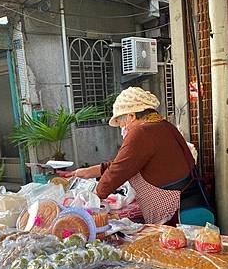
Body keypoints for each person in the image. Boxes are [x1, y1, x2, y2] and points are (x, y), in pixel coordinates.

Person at [68, 87, 209, 225]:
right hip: (191, 200)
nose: (121, 128)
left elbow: (118, 171)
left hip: (179, 211)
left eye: (121, 122)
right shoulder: (162, 125)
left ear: (131, 116)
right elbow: (124, 163)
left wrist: (94, 198)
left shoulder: (141, 132)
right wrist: (86, 172)